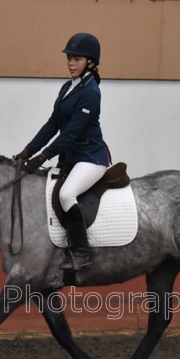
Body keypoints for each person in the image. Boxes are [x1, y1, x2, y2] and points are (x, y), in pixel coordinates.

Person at [15, 32, 110, 271]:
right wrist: (28, 150)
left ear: (90, 62)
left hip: (91, 158)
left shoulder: (91, 93)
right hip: (71, 158)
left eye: (76, 59)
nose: (70, 63)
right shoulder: (68, 87)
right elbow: (53, 124)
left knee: (67, 194)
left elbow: (71, 134)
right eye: (69, 58)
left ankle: (82, 251)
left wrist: (42, 157)